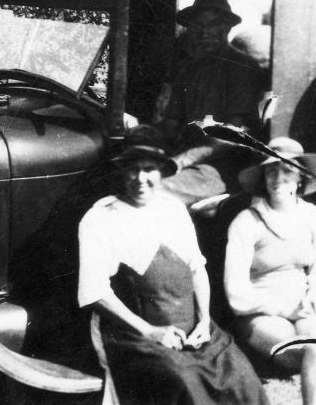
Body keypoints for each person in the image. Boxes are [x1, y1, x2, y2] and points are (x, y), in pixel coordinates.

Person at [77, 125, 270, 405]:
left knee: (241, 379)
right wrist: (150, 331)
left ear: (161, 172)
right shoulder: (101, 218)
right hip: (137, 337)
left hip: (196, 333)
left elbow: (197, 269)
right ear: (122, 171)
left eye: (149, 169)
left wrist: (204, 319)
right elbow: (95, 292)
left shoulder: (173, 209)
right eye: (133, 168)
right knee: (184, 381)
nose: (141, 179)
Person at [223, 137, 316, 405]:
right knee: (312, 350)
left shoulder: (314, 217)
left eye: (287, 170)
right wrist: (282, 308)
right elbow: (236, 294)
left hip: (304, 305)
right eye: (271, 170)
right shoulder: (246, 223)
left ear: (300, 177)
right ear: (263, 177)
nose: (278, 178)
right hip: (259, 313)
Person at [157, 0, 269, 208]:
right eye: (198, 26)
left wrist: (182, 160)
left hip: (223, 167)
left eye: (213, 25)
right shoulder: (187, 69)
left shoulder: (242, 67)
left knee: (154, 194)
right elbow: (170, 124)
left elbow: (232, 135)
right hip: (183, 159)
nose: (205, 33)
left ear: (227, 28)